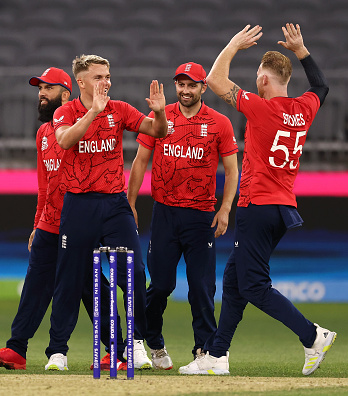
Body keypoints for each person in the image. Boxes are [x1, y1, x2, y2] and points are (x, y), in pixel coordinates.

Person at [178, 24, 335, 376]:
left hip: (257, 204)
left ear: (263, 80)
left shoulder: (261, 109)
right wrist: (302, 50)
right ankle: (217, 356)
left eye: (256, 78)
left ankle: (312, 335)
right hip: (282, 208)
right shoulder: (303, 109)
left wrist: (233, 43)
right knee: (234, 281)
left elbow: (215, 81)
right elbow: (321, 86)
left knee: (252, 284)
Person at [0, 67, 126, 371]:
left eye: (47, 90)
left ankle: (116, 350)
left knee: (90, 288)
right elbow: (43, 185)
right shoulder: (42, 134)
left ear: (65, 94)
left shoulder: (80, 126)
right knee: (36, 284)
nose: (41, 95)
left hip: (80, 221)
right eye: (39, 90)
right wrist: (37, 223)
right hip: (50, 223)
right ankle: (17, 350)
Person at [43, 54, 168, 371]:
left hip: (115, 205)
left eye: (108, 75)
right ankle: (58, 351)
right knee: (69, 279)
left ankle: (135, 344)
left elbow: (158, 131)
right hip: (79, 204)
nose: (106, 82)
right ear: (81, 82)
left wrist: (160, 112)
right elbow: (64, 141)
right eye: (99, 77)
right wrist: (93, 113)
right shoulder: (64, 112)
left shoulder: (120, 109)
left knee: (136, 273)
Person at [127, 62, 239, 370]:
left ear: (204, 88)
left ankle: (204, 351)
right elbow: (140, 162)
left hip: (201, 216)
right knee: (161, 285)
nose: (185, 90)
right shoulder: (160, 118)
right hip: (164, 213)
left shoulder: (219, 123)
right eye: (181, 84)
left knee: (202, 287)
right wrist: (131, 203)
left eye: (192, 85)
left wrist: (226, 208)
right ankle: (153, 342)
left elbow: (232, 170)